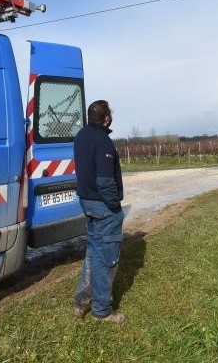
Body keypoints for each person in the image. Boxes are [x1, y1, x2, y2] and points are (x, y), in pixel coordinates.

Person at [72, 99, 126, 323]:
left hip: (87, 202)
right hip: (103, 206)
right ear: (106, 118)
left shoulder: (81, 136)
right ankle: (102, 311)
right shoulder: (103, 140)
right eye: (110, 114)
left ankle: (82, 302)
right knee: (107, 258)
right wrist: (114, 206)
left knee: (93, 253)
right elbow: (105, 181)